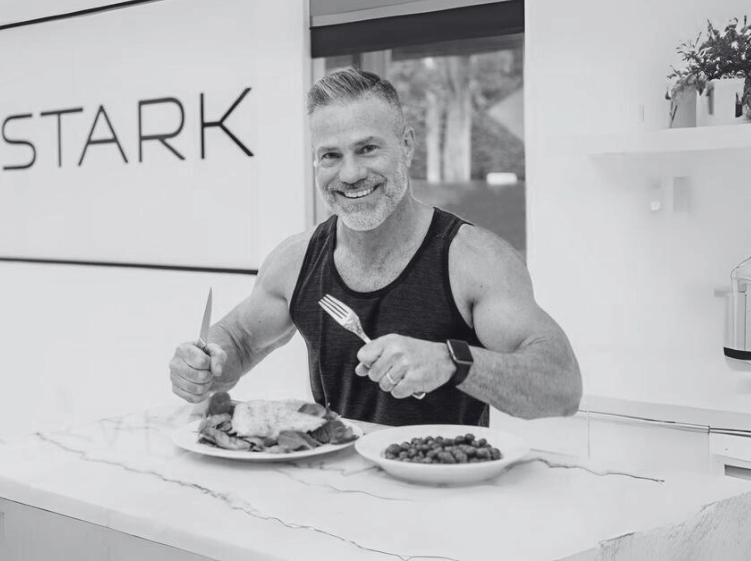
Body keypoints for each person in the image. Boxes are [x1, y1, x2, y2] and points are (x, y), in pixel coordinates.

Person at [168, 67, 581, 426]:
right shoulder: (295, 261)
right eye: (330, 155)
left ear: (406, 145)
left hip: (446, 497)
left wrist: (451, 361)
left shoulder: (474, 261)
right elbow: (238, 340)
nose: (350, 173)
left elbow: (561, 387)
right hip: (333, 492)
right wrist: (204, 364)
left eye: (367, 149)